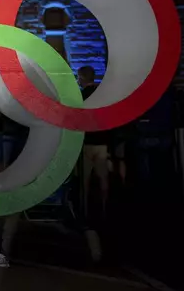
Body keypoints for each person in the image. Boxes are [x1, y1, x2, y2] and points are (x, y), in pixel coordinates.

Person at [77, 65, 110, 262]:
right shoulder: (103, 94)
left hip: (87, 141)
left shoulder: (81, 96)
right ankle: (105, 206)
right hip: (103, 140)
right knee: (103, 176)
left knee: (86, 178)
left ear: (82, 77)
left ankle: (85, 209)